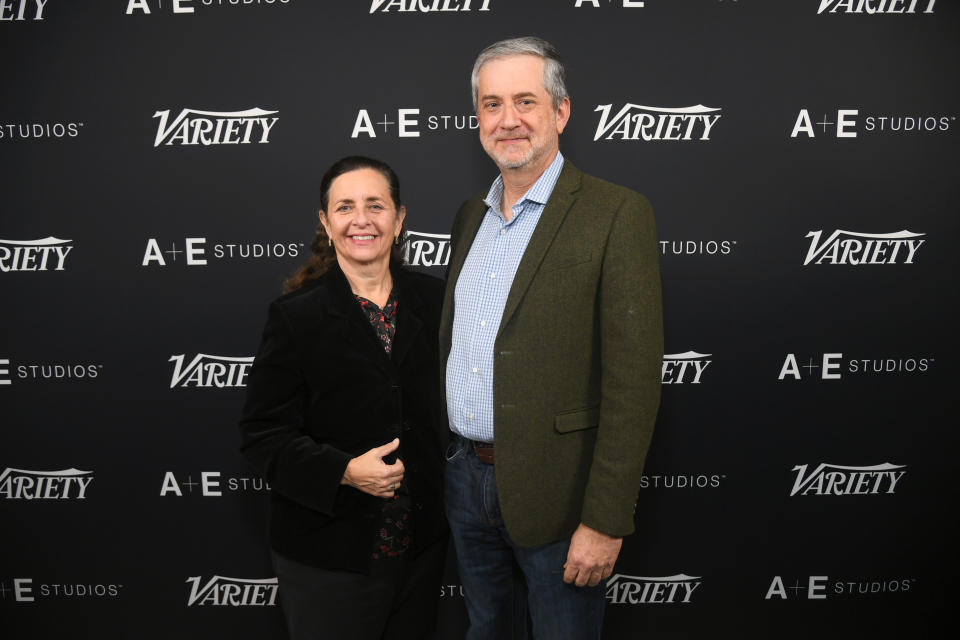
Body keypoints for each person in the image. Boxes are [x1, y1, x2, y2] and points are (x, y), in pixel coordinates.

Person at [440, 37, 663, 639]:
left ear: (561, 112)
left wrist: (605, 521)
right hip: (465, 480)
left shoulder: (616, 213)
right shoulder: (470, 217)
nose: (507, 119)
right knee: (486, 630)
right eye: (491, 104)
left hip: (562, 493)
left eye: (525, 101)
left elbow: (634, 382)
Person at [239, 156, 448, 640]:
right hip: (327, 552)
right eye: (345, 207)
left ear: (398, 221)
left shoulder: (437, 301)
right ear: (325, 223)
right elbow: (261, 436)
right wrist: (345, 471)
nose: (361, 220)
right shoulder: (296, 317)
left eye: (376, 206)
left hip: (421, 549)